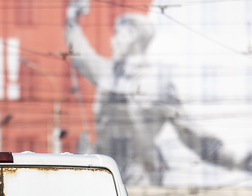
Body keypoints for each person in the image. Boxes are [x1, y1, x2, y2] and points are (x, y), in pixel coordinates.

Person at [65, 0, 252, 184]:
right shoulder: (107, 73)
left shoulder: (158, 85)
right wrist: (72, 16)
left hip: (139, 178)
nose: (112, 40)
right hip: (101, 174)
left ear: (131, 36)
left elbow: (191, 135)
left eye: (118, 34)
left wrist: (236, 161)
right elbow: (80, 52)